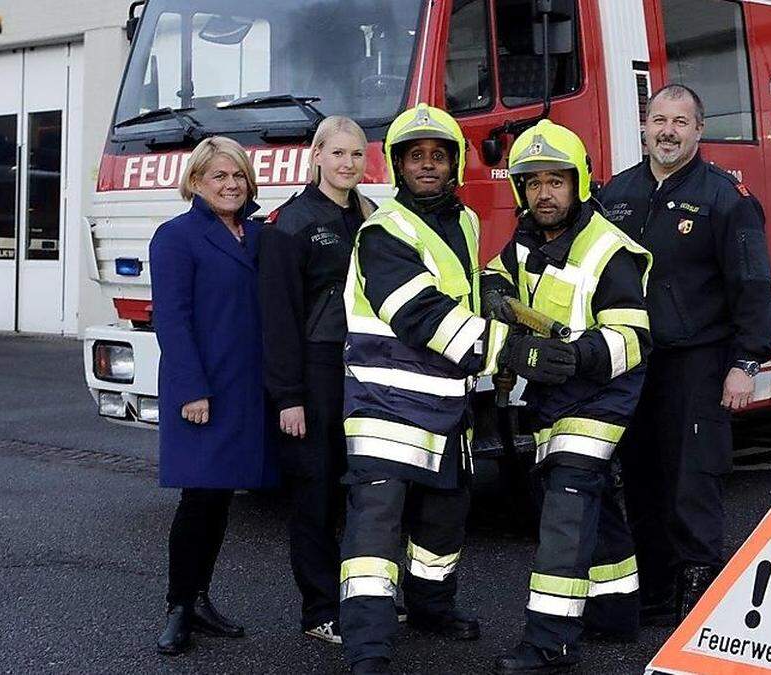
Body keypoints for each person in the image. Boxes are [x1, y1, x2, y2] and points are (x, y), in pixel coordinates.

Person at [337, 104, 572, 674]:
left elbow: (463, 287)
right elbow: (422, 315)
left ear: (454, 164)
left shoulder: (463, 221)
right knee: (375, 535)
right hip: (386, 409)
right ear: (398, 164)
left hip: (448, 403)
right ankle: (368, 646)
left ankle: (430, 610)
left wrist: (494, 288)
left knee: (443, 523)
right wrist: (513, 349)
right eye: (415, 156)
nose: (427, 165)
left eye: (438, 155)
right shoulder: (382, 232)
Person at [598, 84, 771, 624]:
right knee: (644, 481)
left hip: (698, 364)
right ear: (644, 126)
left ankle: (702, 611)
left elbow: (752, 283)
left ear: (699, 130)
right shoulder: (617, 193)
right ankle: (654, 599)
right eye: (659, 119)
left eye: (681, 121)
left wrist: (745, 363)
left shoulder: (725, 198)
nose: (668, 131)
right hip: (634, 363)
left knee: (692, 485)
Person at [485, 120, 652, 673]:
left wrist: (579, 356)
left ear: (578, 183)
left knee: (566, 508)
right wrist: (493, 290)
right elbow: (498, 276)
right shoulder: (528, 239)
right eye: (533, 184)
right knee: (592, 504)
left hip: (601, 397)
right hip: (552, 398)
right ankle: (615, 612)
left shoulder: (608, 249)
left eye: (556, 182)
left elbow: (635, 338)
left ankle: (549, 642)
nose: (544, 194)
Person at [149, 136, 278, 655]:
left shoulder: (258, 235)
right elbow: (173, 321)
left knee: (222, 496)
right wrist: (191, 389)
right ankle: (178, 606)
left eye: (237, 176)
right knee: (198, 497)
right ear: (196, 182)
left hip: (246, 390)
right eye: (218, 176)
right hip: (203, 388)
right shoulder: (176, 237)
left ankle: (201, 600)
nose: (230, 185)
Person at [259, 116, 377, 645]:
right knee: (316, 496)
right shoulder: (288, 223)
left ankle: (363, 598)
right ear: (316, 156)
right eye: (338, 154)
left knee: (364, 492)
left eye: (356, 154)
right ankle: (319, 610)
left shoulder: (372, 215)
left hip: (367, 369)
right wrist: (288, 396)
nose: (348, 163)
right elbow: (278, 319)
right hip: (314, 371)